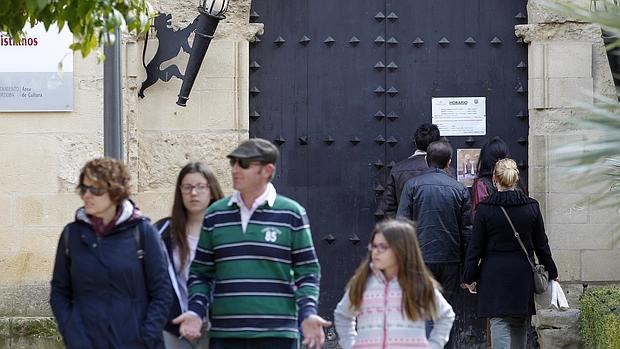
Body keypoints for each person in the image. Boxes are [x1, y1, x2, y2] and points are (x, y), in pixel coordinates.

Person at [172, 138, 332, 349]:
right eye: (233, 163)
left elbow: (308, 271)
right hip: (226, 335)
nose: (235, 169)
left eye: (244, 164)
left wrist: (308, 313)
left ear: (267, 170)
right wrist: (195, 311)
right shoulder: (215, 214)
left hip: (278, 335)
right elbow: (201, 273)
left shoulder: (291, 213)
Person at [50, 157, 172, 349]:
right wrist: (72, 332)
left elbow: (162, 293)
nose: (87, 195)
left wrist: (145, 338)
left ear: (115, 191)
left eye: (95, 189)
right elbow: (59, 291)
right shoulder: (71, 235)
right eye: (84, 188)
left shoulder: (143, 232)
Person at [462, 158, 558, 349]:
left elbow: (475, 248)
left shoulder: (485, 209)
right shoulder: (531, 207)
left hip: (494, 273)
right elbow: (542, 244)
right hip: (522, 273)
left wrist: (469, 276)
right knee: (520, 321)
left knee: (499, 321)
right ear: (515, 179)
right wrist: (552, 272)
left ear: (494, 179)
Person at [334, 219, 455, 349]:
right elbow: (342, 314)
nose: (376, 251)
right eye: (374, 246)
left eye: (383, 247)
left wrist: (434, 345)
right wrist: (351, 344)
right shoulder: (362, 282)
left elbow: (445, 315)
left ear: (402, 249)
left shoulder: (418, 284)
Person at [396, 140, 472, 345]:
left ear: (427, 160)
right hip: (450, 258)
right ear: (449, 162)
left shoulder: (412, 186)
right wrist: (468, 267)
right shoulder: (459, 190)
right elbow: (467, 231)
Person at [156, 162, 225, 348]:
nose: (193, 193)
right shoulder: (162, 232)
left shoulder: (226, 230)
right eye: (187, 187)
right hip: (174, 326)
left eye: (200, 187)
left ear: (211, 190)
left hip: (218, 325)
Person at [379, 123, 441, 218]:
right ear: (437, 144)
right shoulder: (445, 170)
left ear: (415, 143)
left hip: (406, 230)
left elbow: (389, 207)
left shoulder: (397, 169)